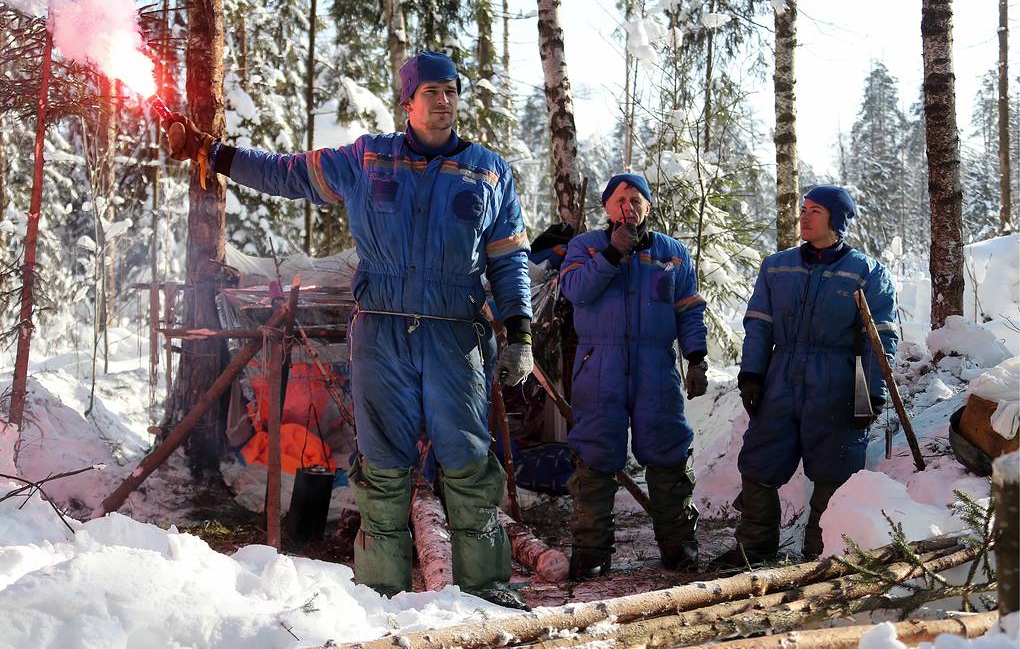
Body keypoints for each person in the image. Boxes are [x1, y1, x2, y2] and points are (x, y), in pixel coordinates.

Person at [163, 50, 534, 609]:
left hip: (455, 335)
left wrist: (520, 330)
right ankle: (381, 600)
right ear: (407, 102)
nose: (445, 101)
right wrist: (215, 154)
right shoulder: (368, 160)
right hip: (381, 333)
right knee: (383, 468)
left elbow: (509, 259)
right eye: (432, 92)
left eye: (452, 91)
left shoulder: (489, 170)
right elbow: (285, 172)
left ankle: (488, 596)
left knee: (469, 465)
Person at [715, 185, 898, 567]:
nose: (805, 216)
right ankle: (754, 548)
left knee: (836, 469)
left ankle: (820, 554)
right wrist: (752, 372)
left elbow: (878, 339)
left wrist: (871, 393)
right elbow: (759, 325)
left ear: (837, 219)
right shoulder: (777, 267)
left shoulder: (865, 272)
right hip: (781, 378)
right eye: (803, 208)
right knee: (760, 462)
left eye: (815, 210)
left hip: (836, 382)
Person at [559, 173, 709, 579]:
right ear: (608, 207)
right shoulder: (585, 245)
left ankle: (679, 546)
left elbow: (689, 309)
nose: (630, 205)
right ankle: (591, 552)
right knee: (595, 452)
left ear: (649, 207)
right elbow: (575, 291)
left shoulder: (673, 252)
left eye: (638, 198)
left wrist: (696, 358)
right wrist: (610, 255)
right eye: (621, 198)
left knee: (668, 450)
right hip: (599, 363)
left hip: (656, 365)